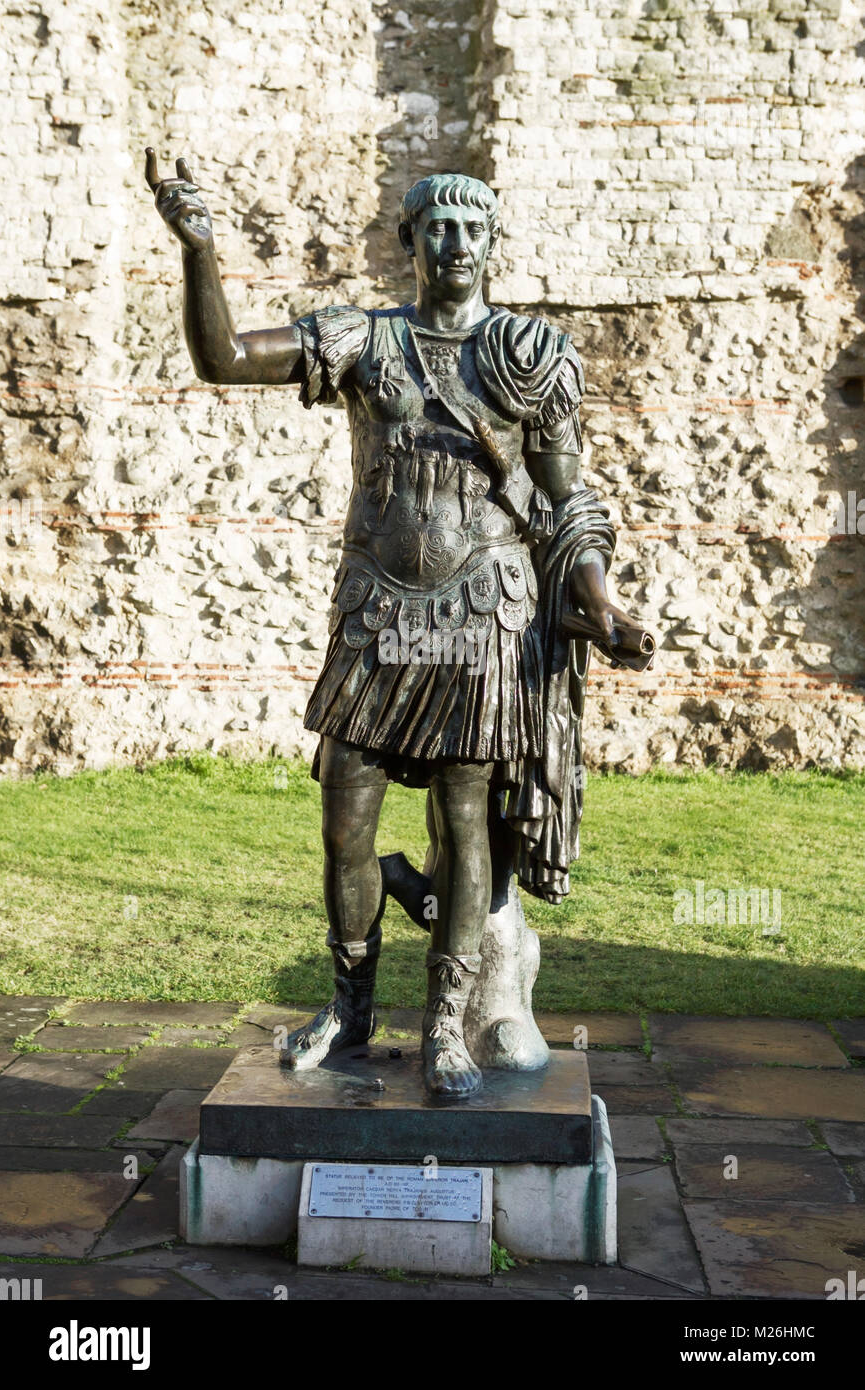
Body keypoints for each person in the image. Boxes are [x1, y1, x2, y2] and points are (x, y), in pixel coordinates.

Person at [145, 151, 651, 1099]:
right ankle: (349, 1009)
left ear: (493, 243)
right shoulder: (364, 342)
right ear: (410, 242)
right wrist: (201, 250)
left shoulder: (528, 355)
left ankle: (449, 1027)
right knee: (346, 819)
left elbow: (567, 502)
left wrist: (598, 600)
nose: (455, 243)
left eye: (472, 228)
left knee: (466, 825)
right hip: (377, 608)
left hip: (483, 612)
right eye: (437, 228)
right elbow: (224, 359)